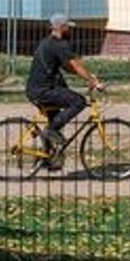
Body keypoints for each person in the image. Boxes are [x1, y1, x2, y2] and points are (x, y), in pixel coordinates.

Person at [26, 13, 103, 169]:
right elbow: (75, 64)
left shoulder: (48, 42)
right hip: (43, 91)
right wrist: (92, 81)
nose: (70, 30)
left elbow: (68, 67)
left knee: (54, 120)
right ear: (61, 27)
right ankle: (51, 131)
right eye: (68, 27)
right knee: (78, 101)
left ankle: (46, 159)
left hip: (36, 89)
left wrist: (87, 77)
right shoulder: (59, 44)